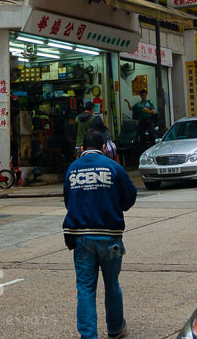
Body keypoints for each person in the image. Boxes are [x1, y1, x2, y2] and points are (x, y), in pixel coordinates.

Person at [63, 128, 137, 339]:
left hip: (81, 237)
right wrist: (116, 206)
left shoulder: (72, 169)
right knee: (112, 284)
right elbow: (130, 196)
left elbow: (69, 200)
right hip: (110, 235)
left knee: (85, 289)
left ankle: (88, 335)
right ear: (104, 147)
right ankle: (115, 329)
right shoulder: (113, 167)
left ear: (83, 148)